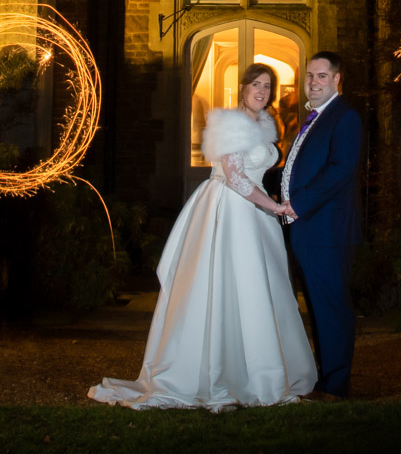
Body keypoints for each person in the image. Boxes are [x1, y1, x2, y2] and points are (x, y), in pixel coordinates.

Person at [89, 63, 316, 410]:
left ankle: (258, 370)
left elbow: (262, 171)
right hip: (231, 211)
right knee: (225, 288)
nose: (262, 91)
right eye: (256, 84)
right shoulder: (228, 122)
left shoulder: (266, 124)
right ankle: (220, 374)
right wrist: (274, 207)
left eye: (268, 86)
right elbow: (235, 178)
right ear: (242, 88)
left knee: (258, 290)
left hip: (257, 216)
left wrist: (279, 202)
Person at [281, 51, 362, 399]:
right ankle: (325, 379)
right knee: (317, 308)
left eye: (322, 76)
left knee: (332, 310)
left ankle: (336, 386)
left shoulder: (345, 117)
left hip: (327, 231)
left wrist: (298, 203)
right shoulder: (315, 118)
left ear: (337, 79)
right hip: (308, 229)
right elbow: (302, 167)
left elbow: (340, 170)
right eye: (310, 76)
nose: (313, 82)